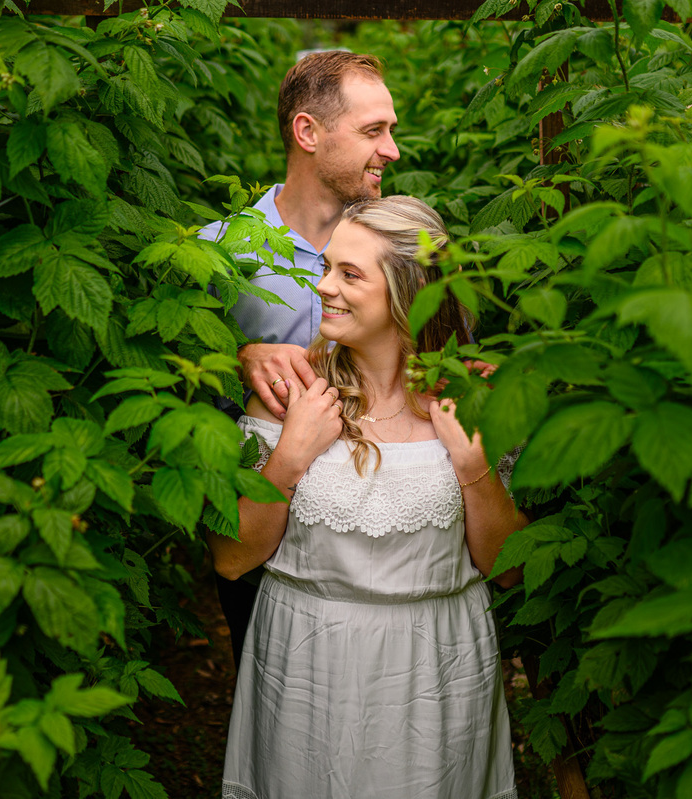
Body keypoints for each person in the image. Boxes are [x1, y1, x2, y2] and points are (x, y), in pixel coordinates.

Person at [211, 197, 526, 799]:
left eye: (349, 274)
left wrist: (473, 467)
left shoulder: (471, 400)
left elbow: (509, 571)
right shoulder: (291, 394)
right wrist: (290, 458)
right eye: (328, 267)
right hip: (308, 661)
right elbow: (231, 557)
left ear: (409, 290)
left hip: (436, 666)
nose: (323, 287)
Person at [205, 50, 401, 666]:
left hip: (380, 542)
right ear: (308, 132)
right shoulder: (219, 257)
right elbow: (170, 389)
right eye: (374, 131)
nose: (392, 150)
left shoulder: (406, 247)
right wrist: (234, 355)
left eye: (391, 130)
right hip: (261, 537)